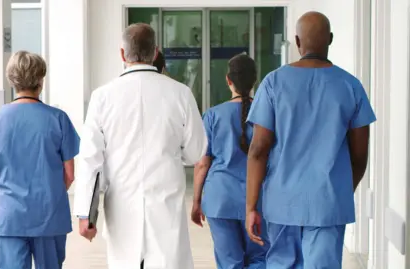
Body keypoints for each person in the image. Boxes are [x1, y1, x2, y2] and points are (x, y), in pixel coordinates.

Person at [245, 11, 376, 268]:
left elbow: (258, 150)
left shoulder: (273, 83)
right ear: (330, 39)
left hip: (281, 201)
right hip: (328, 203)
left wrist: (251, 206)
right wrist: (338, 192)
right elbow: (360, 155)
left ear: (297, 41)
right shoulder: (351, 86)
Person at [73, 23, 207, 269]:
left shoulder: (102, 97)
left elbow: (91, 159)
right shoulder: (181, 94)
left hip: (123, 208)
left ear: (122, 55)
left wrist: (85, 214)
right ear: (155, 52)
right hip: (166, 208)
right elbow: (196, 152)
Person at [0, 51, 80, 269]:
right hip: (50, 217)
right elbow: (69, 175)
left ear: (12, 80)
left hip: (9, 218)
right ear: (41, 80)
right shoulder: (58, 118)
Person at [191, 54, 268, 269]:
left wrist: (197, 201)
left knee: (229, 262)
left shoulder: (213, 115)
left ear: (228, 80)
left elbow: (202, 163)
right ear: (254, 81)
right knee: (260, 258)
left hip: (220, 200)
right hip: (259, 199)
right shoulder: (266, 114)